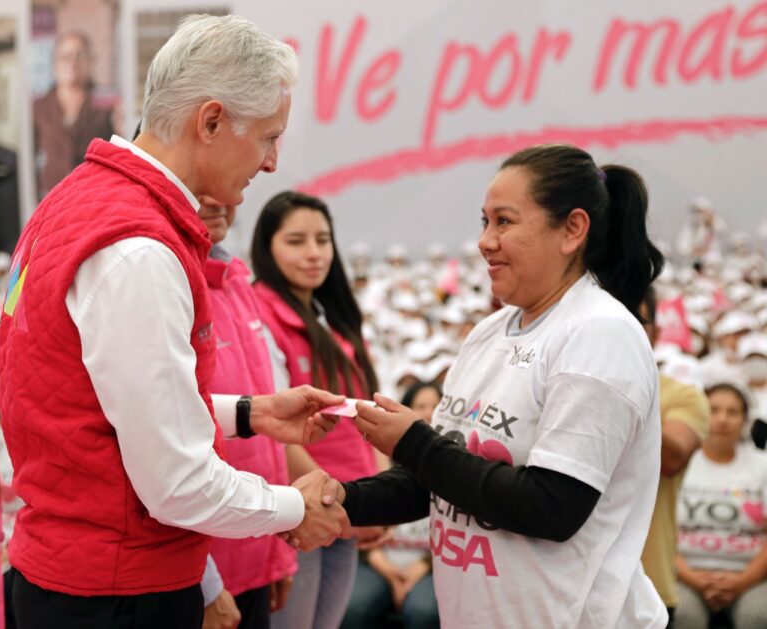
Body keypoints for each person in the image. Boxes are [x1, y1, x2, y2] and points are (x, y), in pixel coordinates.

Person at [0, 14, 349, 629]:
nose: (271, 163)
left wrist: (248, 413)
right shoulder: (139, 250)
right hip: (117, 591)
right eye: (268, 137)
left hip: (72, 572)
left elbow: (100, 404)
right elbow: (176, 484)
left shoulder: (77, 201)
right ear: (211, 121)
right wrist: (294, 507)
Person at [326, 144, 669, 627]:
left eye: (504, 222)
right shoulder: (490, 332)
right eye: (484, 222)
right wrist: (343, 501)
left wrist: (413, 443)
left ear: (572, 229)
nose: (485, 241)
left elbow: (552, 507)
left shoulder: (599, 334)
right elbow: (440, 479)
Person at [250, 191, 383, 629]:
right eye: (296, 241)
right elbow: (270, 426)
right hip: (303, 509)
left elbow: (365, 410)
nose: (313, 253)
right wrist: (335, 505)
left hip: (345, 505)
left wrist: (374, 498)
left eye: (323, 240)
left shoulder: (332, 318)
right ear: (267, 247)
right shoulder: (259, 315)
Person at [196, 194, 297, 629]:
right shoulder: (161, 276)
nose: (221, 200)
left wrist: (276, 554)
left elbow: (265, 429)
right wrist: (205, 583)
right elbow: (154, 446)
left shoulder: (236, 279)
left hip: (252, 548)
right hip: (197, 570)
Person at [341, 381, 442, 629]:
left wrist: (422, 567)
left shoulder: (453, 467)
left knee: (424, 613)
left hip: (429, 569)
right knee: (351, 608)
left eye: (436, 406)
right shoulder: (378, 458)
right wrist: (384, 567)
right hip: (377, 563)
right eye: (420, 406)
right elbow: (361, 515)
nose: (428, 413)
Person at [640, 288, 710, 626]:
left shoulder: (684, 396)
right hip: (562, 587)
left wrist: (622, 385)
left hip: (646, 588)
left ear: (655, 330)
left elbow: (671, 458)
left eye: (638, 320)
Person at [675, 383, 767, 629]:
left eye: (732, 412)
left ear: (745, 420)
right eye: (713, 410)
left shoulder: (762, 466)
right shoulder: (677, 461)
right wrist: (693, 578)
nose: (722, 419)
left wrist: (741, 581)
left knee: (758, 616)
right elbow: (657, 531)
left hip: (751, 579)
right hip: (684, 575)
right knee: (684, 615)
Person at [33, 31, 115, 201]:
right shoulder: (39, 107)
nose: (72, 62)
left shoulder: (105, 104)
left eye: (79, 55)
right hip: (50, 201)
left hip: (94, 199)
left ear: (90, 61)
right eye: (66, 56)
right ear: (55, 63)